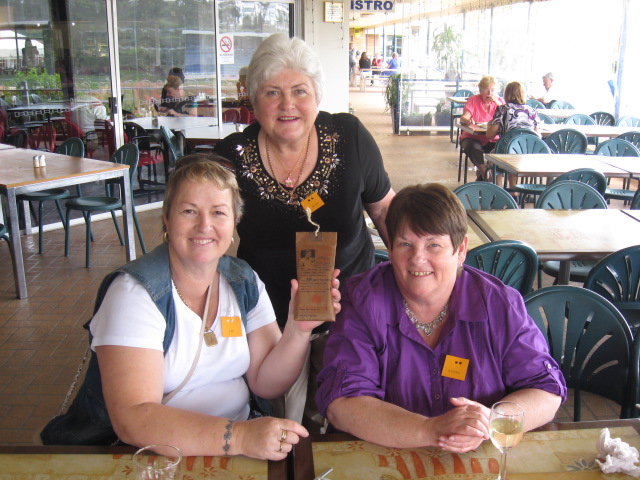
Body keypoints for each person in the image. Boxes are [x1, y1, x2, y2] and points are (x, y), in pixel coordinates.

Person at [41, 155, 341, 460]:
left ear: (234, 222)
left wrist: (298, 330)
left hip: (236, 449)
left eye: (219, 212)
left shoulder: (242, 281)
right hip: (154, 457)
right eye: (189, 211)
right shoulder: (134, 293)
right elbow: (133, 419)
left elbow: (266, 382)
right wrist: (239, 437)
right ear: (167, 219)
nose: (204, 226)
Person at [214, 33, 395, 429]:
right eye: (272, 92)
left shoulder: (349, 138)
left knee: (346, 414)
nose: (287, 105)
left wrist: (416, 272)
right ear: (253, 99)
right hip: (271, 321)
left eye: (300, 90)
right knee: (280, 420)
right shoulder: (232, 158)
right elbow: (208, 235)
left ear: (317, 94)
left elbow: (385, 210)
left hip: (352, 314)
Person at [316, 183, 567, 452]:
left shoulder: (499, 304)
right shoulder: (362, 301)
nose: (417, 259)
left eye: (433, 245)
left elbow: (546, 391)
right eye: (405, 244)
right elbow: (342, 404)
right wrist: (431, 430)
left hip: (476, 461)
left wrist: (487, 423)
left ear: (460, 251)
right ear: (390, 249)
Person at [486, 81, 541, 189]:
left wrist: (490, 125)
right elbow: (537, 136)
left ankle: (499, 191)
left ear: (506, 94)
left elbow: (489, 135)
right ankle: (514, 191)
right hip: (528, 154)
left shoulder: (503, 109)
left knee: (494, 157)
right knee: (516, 153)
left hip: (506, 153)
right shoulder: (533, 111)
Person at [459, 75, 504, 181]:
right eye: (486, 89)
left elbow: (506, 116)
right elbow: (464, 117)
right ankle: (485, 174)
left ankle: (487, 175)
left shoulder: (499, 102)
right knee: (472, 146)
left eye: (492, 90)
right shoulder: (473, 100)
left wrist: (498, 104)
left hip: (493, 138)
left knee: (502, 147)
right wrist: (468, 121)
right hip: (473, 137)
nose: (489, 93)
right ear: (480, 89)